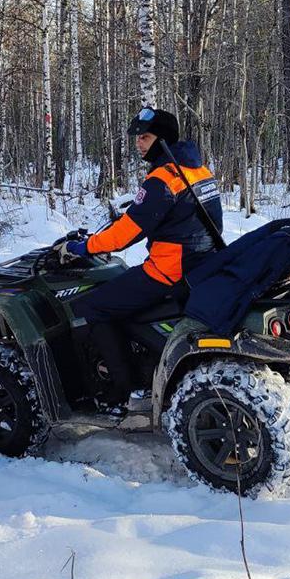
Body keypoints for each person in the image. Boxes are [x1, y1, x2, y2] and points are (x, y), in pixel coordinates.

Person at [61, 107, 223, 408]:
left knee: (92, 305)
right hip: (201, 263)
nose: (138, 143)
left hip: (169, 271)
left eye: (145, 137)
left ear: (162, 139)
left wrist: (84, 247)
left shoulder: (163, 179)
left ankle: (120, 388)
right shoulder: (198, 170)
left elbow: (125, 235)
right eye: (137, 138)